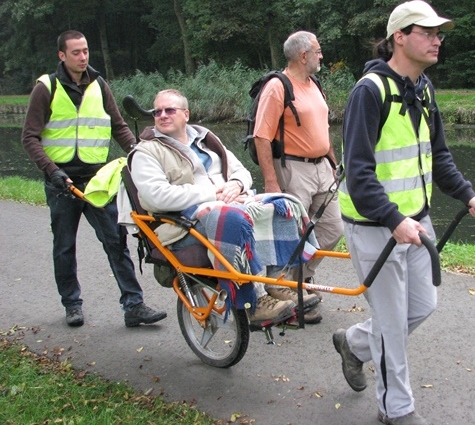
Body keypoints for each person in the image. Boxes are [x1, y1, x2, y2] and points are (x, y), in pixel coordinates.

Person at [334, 0, 475, 425]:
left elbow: (437, 155)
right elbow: (359, 172)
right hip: (375, 226)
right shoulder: (370, 91)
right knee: (391, 325)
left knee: (421, 306)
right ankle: (397, 409)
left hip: (415, 222)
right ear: (399, 37)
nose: (437, 40)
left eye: (440, 33)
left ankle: (353, 343)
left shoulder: (422, 88)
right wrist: (391, 218)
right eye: (427, 32)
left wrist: (468, 195)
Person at [21, 30, 167, 328]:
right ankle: (72, 305)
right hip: (62, 183)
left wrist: (141, 155)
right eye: (76, 52)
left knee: (116, 241)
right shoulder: (46, 88)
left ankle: (134, 306)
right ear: (62, 55)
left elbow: (119, 126)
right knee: (64, 246)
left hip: (98, 181)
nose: (83, 57)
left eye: (86, 51)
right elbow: (30, 137)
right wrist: (52, 171)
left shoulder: (99, 85)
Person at [129, 89, 300, 324]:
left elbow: (241, 171)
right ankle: (255, 300)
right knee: (233, 220)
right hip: (183, 222)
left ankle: (275, 281)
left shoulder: (205, 138)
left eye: (170, 110)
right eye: (157, 111)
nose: (162, 115)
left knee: (283, 205)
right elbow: (158, 197)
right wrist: (214, 195)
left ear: (186, 114)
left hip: (227, 203)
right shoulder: (146, 151)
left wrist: (237, 185)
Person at [253, 30, 343, 323]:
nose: (321, 56)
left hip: (322, 168)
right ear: (303, 56)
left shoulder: (314, 84)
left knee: (332, 229)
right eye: (318, 51)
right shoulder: (278, 87)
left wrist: (333, 161)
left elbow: (322, 128)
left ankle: (299, 282)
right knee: (290, 235)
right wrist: (270, 181)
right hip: (293, 168)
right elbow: (261, 137)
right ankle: (281, 291)